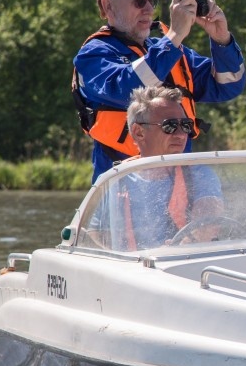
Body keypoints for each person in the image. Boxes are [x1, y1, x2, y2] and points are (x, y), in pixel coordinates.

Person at [73, 0, 246, 182]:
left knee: (208, 182)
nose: (148, 10)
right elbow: (129, 89)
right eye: (138, 1)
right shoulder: (94, 55)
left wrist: (221, 38)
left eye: (151, 2)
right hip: (122, 196)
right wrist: (174, 37)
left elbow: (228, 85)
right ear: (108, 6)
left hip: (179, 193)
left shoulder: (170, 51)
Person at [88, 85, 225, 250]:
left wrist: (185, 245)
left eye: (186, 125)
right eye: (170, 125)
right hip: (132, 269)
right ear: (139, 132)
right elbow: (95, 233)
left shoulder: (199, 174)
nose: (181, 134)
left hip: (183, 263)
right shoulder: (117, 178)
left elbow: (208, 219)